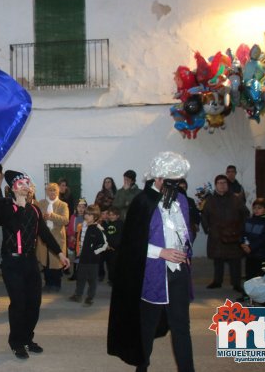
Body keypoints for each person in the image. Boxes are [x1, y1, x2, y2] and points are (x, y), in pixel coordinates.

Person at [108, 151, 194, 372]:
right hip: (152, 274)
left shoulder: (181, 200)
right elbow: (130, 244)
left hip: (178, 273)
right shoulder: (142, 202)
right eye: (170, 182)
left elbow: (185, 232)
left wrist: (185, 251)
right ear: (157, 178)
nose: (175, 187)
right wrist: (161, 252)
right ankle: (142, 367)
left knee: (181, 326)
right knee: (147, 326)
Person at [0, 170, 70, 359]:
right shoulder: (6, 206)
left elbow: (45, 235)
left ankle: (27, 338)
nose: (25, 186)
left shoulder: (35, 209)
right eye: (20, 184)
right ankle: (16, 342)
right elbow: (14, 227)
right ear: (12, 188)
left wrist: (61, 253)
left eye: (27, 183)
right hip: (12, 262)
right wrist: (20, 206)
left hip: (30, 261)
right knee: (19, 304)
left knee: (34, 304)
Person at [201, 174, 249, 291]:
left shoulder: (236, 199)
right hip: (216, 235)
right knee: (218, 260)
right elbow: (204, 215)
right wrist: (207, 228)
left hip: (233, 235)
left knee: (235, 261)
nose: (222, 185)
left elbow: (245, 214)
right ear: (216, 185)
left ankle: (236, 283)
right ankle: (217, 281)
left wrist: (241, 230)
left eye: (224, 183)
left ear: (228, 185)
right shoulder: (210, 200)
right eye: (219, 183)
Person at [69, 204, 107, 305]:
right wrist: (78, 250)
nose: (86, 216)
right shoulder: (83, 227)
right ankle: (78, 295)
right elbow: (80, 240)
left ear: (95, 217)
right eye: (86, 214)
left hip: (93, 261)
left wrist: (94, 251)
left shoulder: (98, 230)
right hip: (82, 259)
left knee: (92, 280)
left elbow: (104, 244)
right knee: (80, 278)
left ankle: (90, 297)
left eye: (89, 215)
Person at [37, 182, 69, 292]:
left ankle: (56, 284)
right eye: (50, 190)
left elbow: (65, 220)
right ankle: (48, 283)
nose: (52, 192)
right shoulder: (40, 203)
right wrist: (43, 218)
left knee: (56, 261)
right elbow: (37, 218)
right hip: (44, 237)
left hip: (57, 237)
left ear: (58, 192)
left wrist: (52, 216)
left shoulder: (63, 205)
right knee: (45, 261)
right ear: (46, 192)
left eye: (54, 190)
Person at [241, 198, 265, 280]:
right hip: (249, 254)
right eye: (255, 208)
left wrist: (251, 247)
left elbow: (263, 239)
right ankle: (248, 292)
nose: (256, 210)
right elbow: (242, 233)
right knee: (249, 274)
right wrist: (242, 243)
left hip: (262, 254)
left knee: (260, 276)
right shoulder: (249, 221)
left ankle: (259, 292)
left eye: (259, 208)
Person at [67, 198, 88, 281]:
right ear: (76, 208)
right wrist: (71, 236)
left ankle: (83, 274)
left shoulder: (87, 217)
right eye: (79, 207)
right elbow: (69, 228)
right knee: (76, 256)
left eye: (83, 207)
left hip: (84, 238)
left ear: (86, 208)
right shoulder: (73, 216)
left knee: (83, 257)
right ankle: (75, 273)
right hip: (75, 238)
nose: (81, 209)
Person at [102, 206, 123, 285]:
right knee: (109, 265)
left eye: (113, 215)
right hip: (108, 248)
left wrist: (115, 246)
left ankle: (114, 280)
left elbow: (119, 237)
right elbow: (106, 235)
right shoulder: (108, 224)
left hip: (116, 249)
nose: (111, 216)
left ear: (117, 216)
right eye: (109, 215)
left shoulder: (120, 224)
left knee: (114, 265)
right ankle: (111, 279)